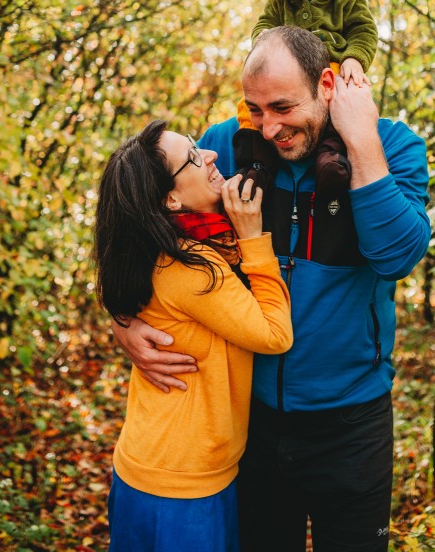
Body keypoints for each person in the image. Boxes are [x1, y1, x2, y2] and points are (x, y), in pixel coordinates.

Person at [115, 27, 430, 552]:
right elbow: (136, 211)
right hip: (249, 420)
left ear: (327, 84)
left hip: (351, 420)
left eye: (283, 107)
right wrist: (123, 316)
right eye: (256, 109)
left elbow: (397, 255)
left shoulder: (392, 146)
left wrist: (361, 140)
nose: (269, 127)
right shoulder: (227, 146)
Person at [94, 120, 293, 552]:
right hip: (184, 484)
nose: (213, 156)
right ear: (170, 198)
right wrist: (254, 239)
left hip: (145, 465)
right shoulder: (193, 266)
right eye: (194, 157)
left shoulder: (150, 245)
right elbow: (275, 335)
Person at [233, 0, 378, 202]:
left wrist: (354, 58)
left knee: (343, 105)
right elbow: (264, 26)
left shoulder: (346, 1)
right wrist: (263, 40)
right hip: (286, 79)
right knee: (248, 110)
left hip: (334, 68)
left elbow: (363, 30)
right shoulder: (279, 3)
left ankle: (332, 160)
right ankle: (257, 164)